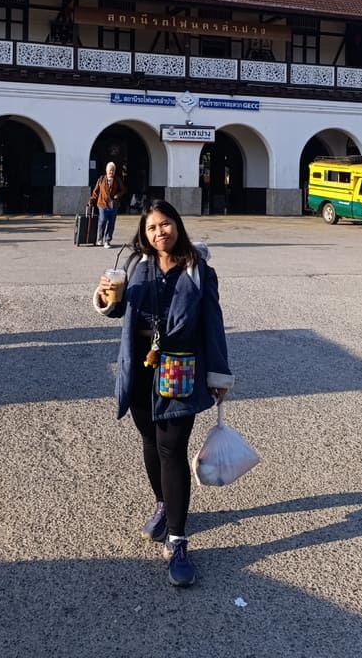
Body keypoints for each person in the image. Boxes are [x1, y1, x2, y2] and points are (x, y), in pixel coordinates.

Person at [93, 199, 234, 587]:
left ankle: (177, 538)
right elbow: (119, 309)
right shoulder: (136, 266)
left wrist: (219, 375)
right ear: (145, 232)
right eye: (153, 227)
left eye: (166, 224)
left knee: (172, 448)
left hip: (179, 369)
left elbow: (213, 324)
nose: (160, 232)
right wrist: (105, 298)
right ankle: (162, 504)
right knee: (150, 443)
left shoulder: (199, 270)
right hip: (140, 368)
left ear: (177, 225)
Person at [89, 161, 126, 248]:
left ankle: (107, 240)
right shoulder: (101, 179)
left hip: (114, 205)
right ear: (106, 170)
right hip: (102, 204)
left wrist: (118, 195)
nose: (111, 172)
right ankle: (100, 239)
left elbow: (123, 190)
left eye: (113, 170)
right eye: (110, 170)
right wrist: (91, 201)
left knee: (111, 223)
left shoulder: (117, 180)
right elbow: (95, 192)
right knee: (102, 221)